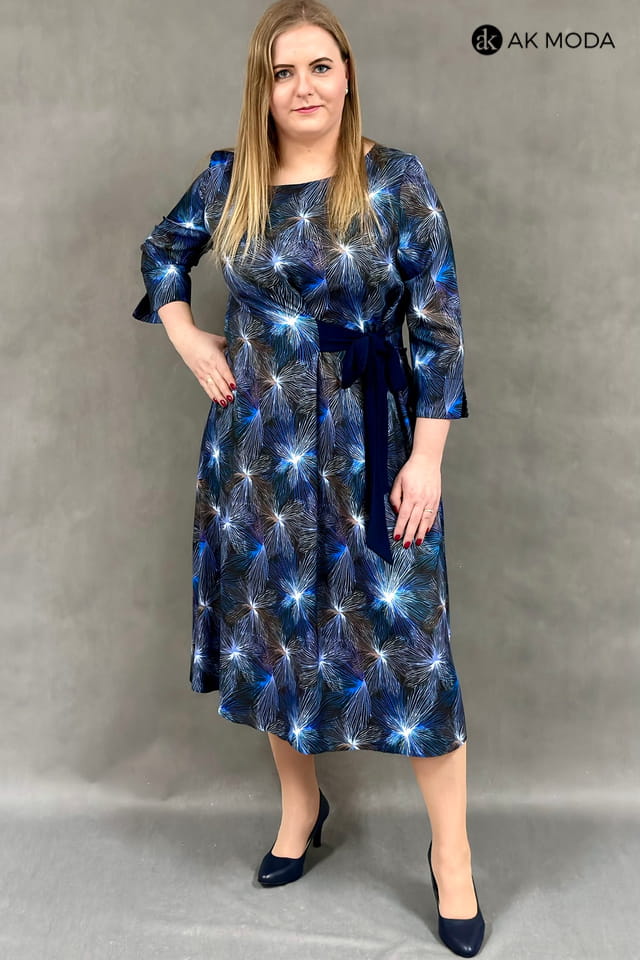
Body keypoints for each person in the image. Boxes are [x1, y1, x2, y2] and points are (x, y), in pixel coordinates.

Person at [132, 0, 484, 954]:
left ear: (347, 75)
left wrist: (427, 458)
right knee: (276, 636)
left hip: (374, 449)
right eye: (283, 72)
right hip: (258, 451)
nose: (303, 87)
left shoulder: (393, 180)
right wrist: (185, 334)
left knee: (411, 649)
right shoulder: (230, 181)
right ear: (263, 87)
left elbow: (439, 328)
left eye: (319, 66)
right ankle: (300, 807)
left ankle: (452, 857)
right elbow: (162, 254)